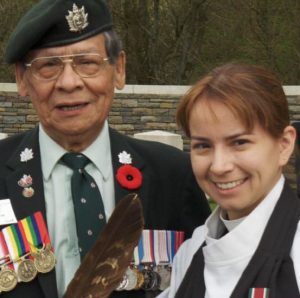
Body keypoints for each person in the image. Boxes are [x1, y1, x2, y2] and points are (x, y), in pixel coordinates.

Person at [0, 0, 211, 297]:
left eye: (87, 62)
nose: (69, 82)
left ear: (119, 69)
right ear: (22, 79)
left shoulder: (173, 176)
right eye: (49, 66)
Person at [158, 63, 300, 298]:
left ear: (284, 145)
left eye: (239, 143)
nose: (219, 166)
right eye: (203, 146)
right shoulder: (191, 252)